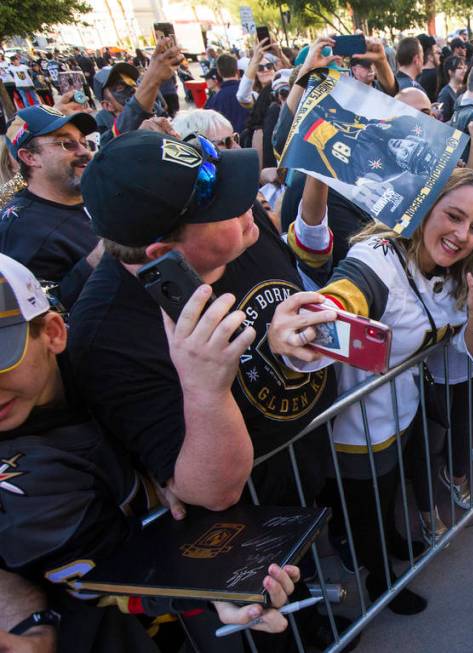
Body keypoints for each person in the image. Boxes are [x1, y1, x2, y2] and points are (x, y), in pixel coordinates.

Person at [0, 253, 302, 653]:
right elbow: (104, 576)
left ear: (53, 332)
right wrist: (204, 587)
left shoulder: (101, 352)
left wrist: (159, 466)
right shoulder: (25, 484)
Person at [269, 167, 473, 615]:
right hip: (356, 424)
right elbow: (344, 297)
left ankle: (392, 541)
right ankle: (381, 582)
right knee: (365, 509)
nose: (462, 235)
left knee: (388, 493)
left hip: (402, 411)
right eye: (452, 216)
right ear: (425, 206)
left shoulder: (457, 274)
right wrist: (306, 328)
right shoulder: (378, 259)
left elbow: (460, 356)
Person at [0, 106, 103, 308]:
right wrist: (99, 258)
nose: (84, 151)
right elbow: (43, 313)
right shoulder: (22, 232)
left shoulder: (92, 191)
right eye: (66, 144)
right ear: (30, 157)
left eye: (84, 142)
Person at [204, 53, 250, 135]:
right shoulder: (249, 92)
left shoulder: (214, 99)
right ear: (237, 70)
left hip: (227, 142)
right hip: (249, 140)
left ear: (219, 72)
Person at [435, 55, 467, 122]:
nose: (464, 70)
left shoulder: (465, 89)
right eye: (460, 68)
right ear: (450, 72)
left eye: (465, 67)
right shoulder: (445, 94)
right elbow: (442, 120)